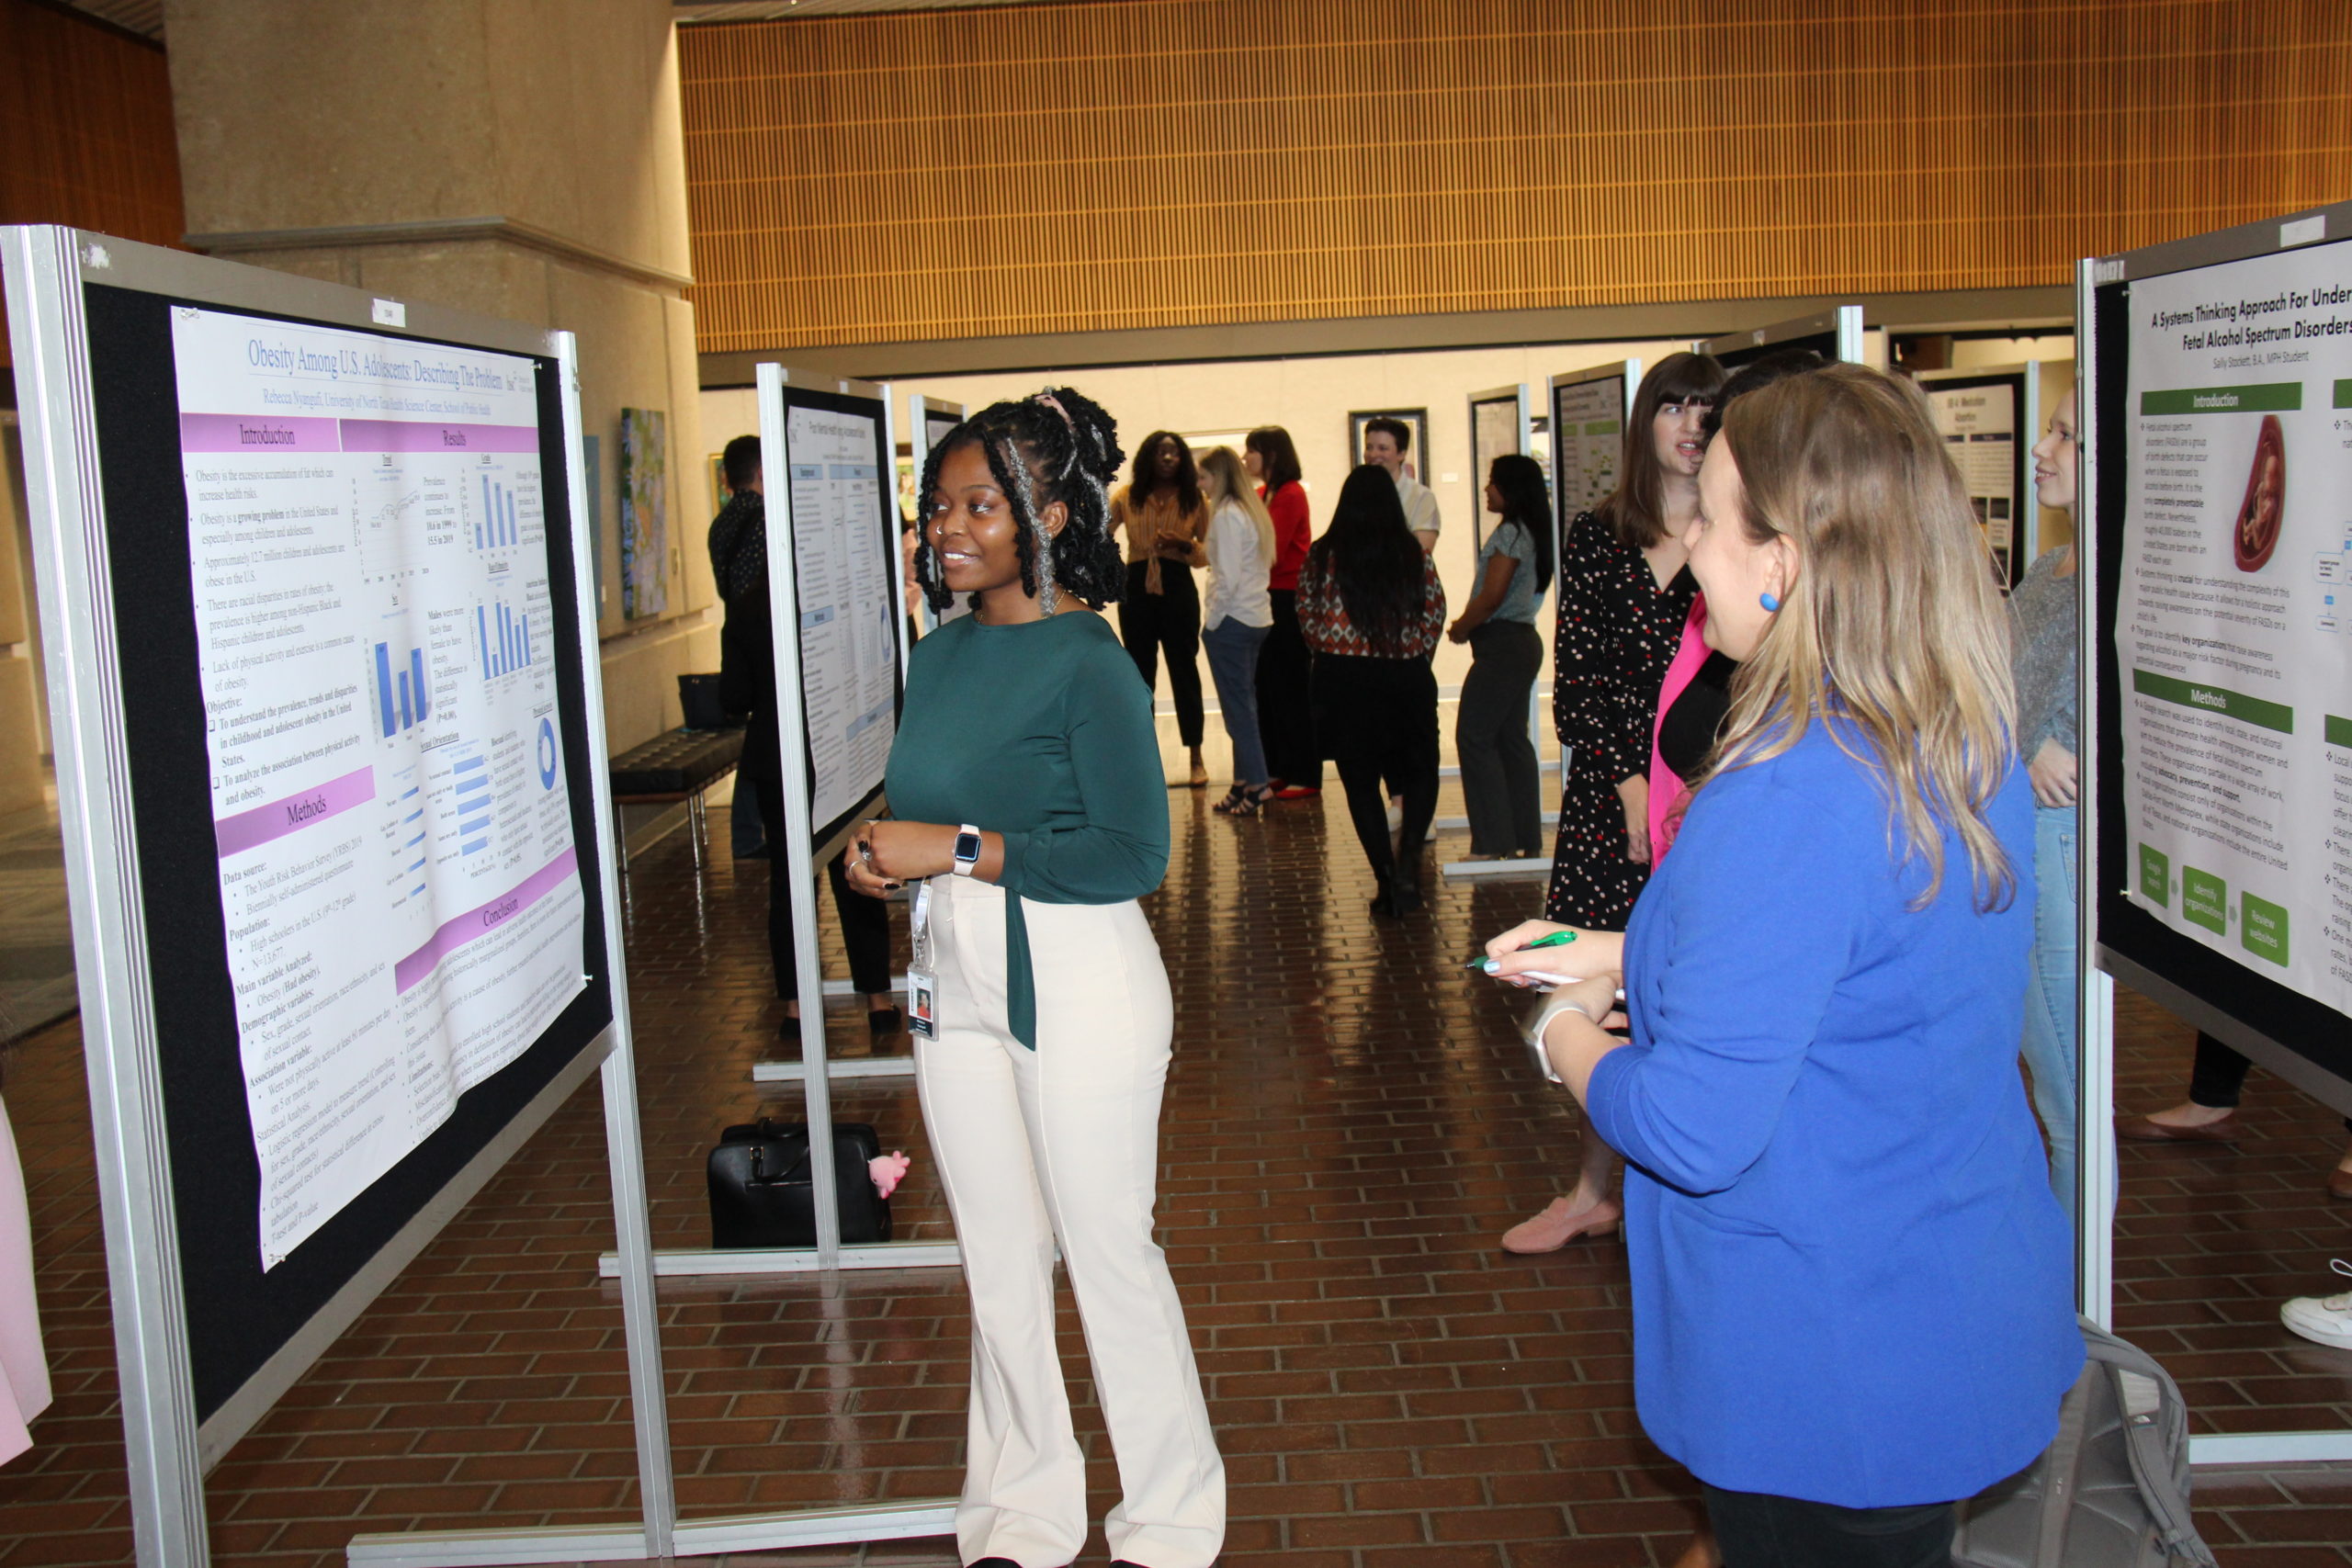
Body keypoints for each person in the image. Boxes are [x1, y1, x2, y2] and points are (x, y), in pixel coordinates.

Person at [1493, 364, 2082, 1564]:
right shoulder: (1956, 736)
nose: (1690, 556)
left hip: (1828, 1359)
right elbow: (1861, 966)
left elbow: (1691, 1125)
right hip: (1947, 1302)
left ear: (1786, 560)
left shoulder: (1788, 789)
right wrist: (1618, 950)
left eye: (1711, 520)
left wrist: (1561, 1031)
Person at [847, 389, 1224, 1568]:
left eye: (979, 506)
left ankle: (1169, 1519)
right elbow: (938, 805)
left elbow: (1133, 854)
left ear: (1046, 517)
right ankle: (1022, 1509)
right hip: (951, 973)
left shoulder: (1087, 663)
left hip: (1077, 979)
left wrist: (952, 848)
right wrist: (886, 853)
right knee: (999, 1261)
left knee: (1107, 1255)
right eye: (936, 507)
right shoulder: (941, 653)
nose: (947, 529)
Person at [1504, 353, 1723, 1253]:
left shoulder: (1739, 532)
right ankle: (1594, 1189)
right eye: (1674, 407)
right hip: (1609, 799)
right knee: (1597, 992)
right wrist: (1632, 786)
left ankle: (1686, 1197)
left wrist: (1679, 795)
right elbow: (1578, 685)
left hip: (1707, 802)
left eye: (1706, 410)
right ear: (1645, 422)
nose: (1691, 426)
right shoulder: (1599, 536)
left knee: (1696, 994)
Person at [707, 434, 897, 1042]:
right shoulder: (843, 600)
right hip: (843, 750)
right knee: (856, 870)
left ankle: (793, 1007)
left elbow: (733, 697)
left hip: (775, 758)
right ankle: (878, 998)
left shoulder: (745, 606)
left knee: (789, 884)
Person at [1298, 466, 1445, 916]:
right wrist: (1414, 654)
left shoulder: (1323, 554)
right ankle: (1409, 868)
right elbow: (1435, 613)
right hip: (1405, 677)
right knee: (1420, 771)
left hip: (1343, 680)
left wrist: (1336, 650)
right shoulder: (1412, 553)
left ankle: (1385, 880)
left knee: (1360, 784)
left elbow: (1307, 616)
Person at [1447, 454, 1553, 859]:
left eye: (1493, 482)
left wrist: (1462, 626)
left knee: (1474, 736)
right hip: (1520, 643)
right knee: (1510, 739)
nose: (1487, 489)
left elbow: (1491, 597)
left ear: (1512, 489)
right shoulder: (1532, 531)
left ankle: (1492, 843)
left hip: (1503, 644)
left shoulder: (1510, 534)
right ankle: (1524, 838)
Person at [1113, 430, 1211, 788]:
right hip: (1136, 586)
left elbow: (1207, 553)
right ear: (1148, 458)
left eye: (1174, 452)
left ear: (1183, 459)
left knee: (1185, 670)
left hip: (1178, 585)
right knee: (1140, 675)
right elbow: (1102, 535)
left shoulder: (1195, 499)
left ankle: (1196, 757)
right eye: (1160, 452)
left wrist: (1184, 543)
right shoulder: (1127, 496)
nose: (1168, 458)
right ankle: (1144, 760)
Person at [1196, 446, 1277, 817]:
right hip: (1256, 617)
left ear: (1219, 477)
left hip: (1232, 622)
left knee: (1238, 710)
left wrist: (1211, 623)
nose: (1201, 485)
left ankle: (1258, 785)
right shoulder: (1249, 510)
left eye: (1204, 477)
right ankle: (1242, 782)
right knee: (1243, 704)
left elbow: (1226, 578)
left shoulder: (1228, 515)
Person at [1246, 425, 1319, 797]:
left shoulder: (1291, 493)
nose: (1246, 458)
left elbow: (1270, 550)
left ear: (1271, 455)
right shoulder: (1262, 494)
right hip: (1264, 595)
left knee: (1291, 685)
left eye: (1252, 451)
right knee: (1268, 685)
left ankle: (1305, 772)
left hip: (1287, 596)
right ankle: (1278, 766)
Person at [1362, 416, 1441, 552]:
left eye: (1383, 448)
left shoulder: (1422, 497)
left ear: (1401, 454)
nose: (1373, 455)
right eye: (1369, 447)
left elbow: (1421, 553)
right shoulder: (1358, 493)